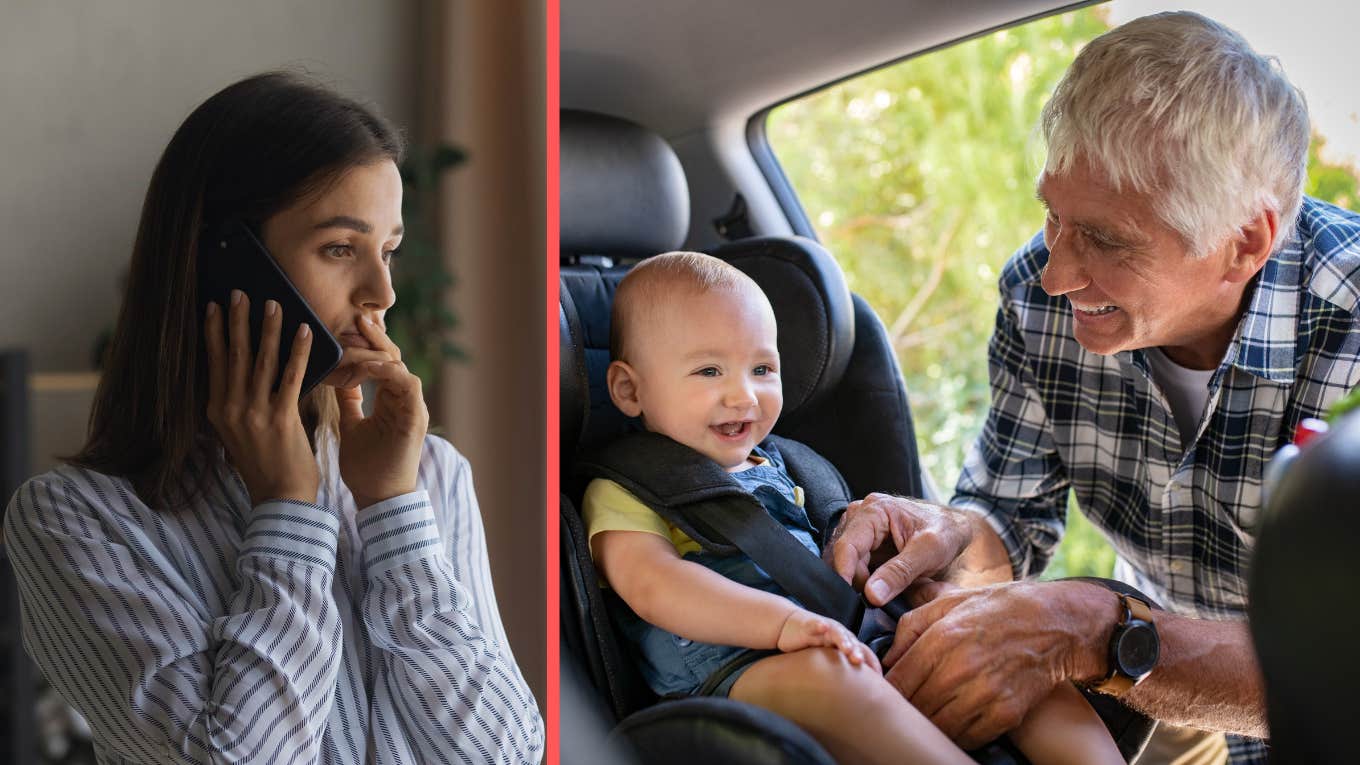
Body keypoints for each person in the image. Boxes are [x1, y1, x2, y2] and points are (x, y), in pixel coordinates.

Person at [823, 12, 1360, 765]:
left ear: (1244, 241)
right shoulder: (1037, 299)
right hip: (1158, 678)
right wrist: (944, 535)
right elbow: (1008, 520)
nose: (1056, 274)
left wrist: (1096, 628)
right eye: (1053, 215)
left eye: (1107, 240)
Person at [2, 72, 543, 764]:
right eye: (340, 248)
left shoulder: (427, 474)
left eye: (389, 250)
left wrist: (394, 511)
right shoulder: (73, 520)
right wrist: (287, 511)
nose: (382, 292)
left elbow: (505, 755)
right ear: (225, 265)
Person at [583, 251, 1123, 765]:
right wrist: (784, 624)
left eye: (762, 370)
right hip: (731, 666)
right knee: (833, 681)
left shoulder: (789, 468)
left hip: (838, 632)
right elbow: (654, 585)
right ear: (629, 390)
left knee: (1006, 649)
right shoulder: (627, 489)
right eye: (708, 372)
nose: (743, 396)